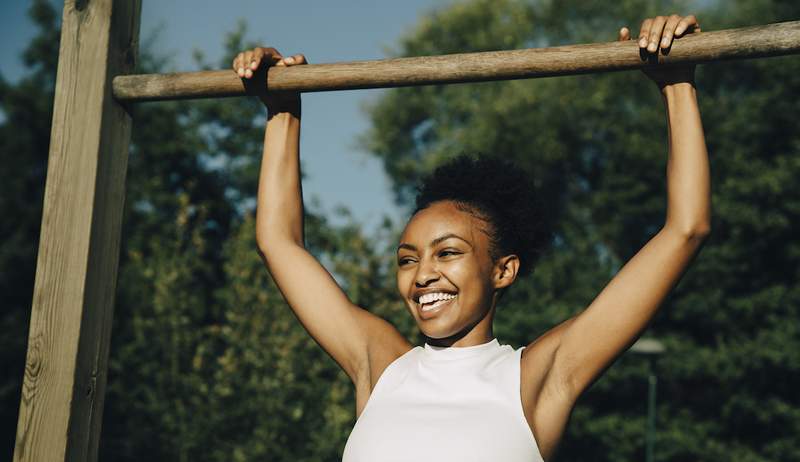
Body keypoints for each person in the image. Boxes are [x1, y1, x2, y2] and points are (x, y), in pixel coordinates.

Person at [232, 13, 709, 462]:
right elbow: (279, 242)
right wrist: (282, 112)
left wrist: (676, 86)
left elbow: (685, 230)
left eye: (448, 253)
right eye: (407, 259)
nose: (423, 275)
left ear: (503, 269)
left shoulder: (536, 380)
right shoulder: (380, 366)